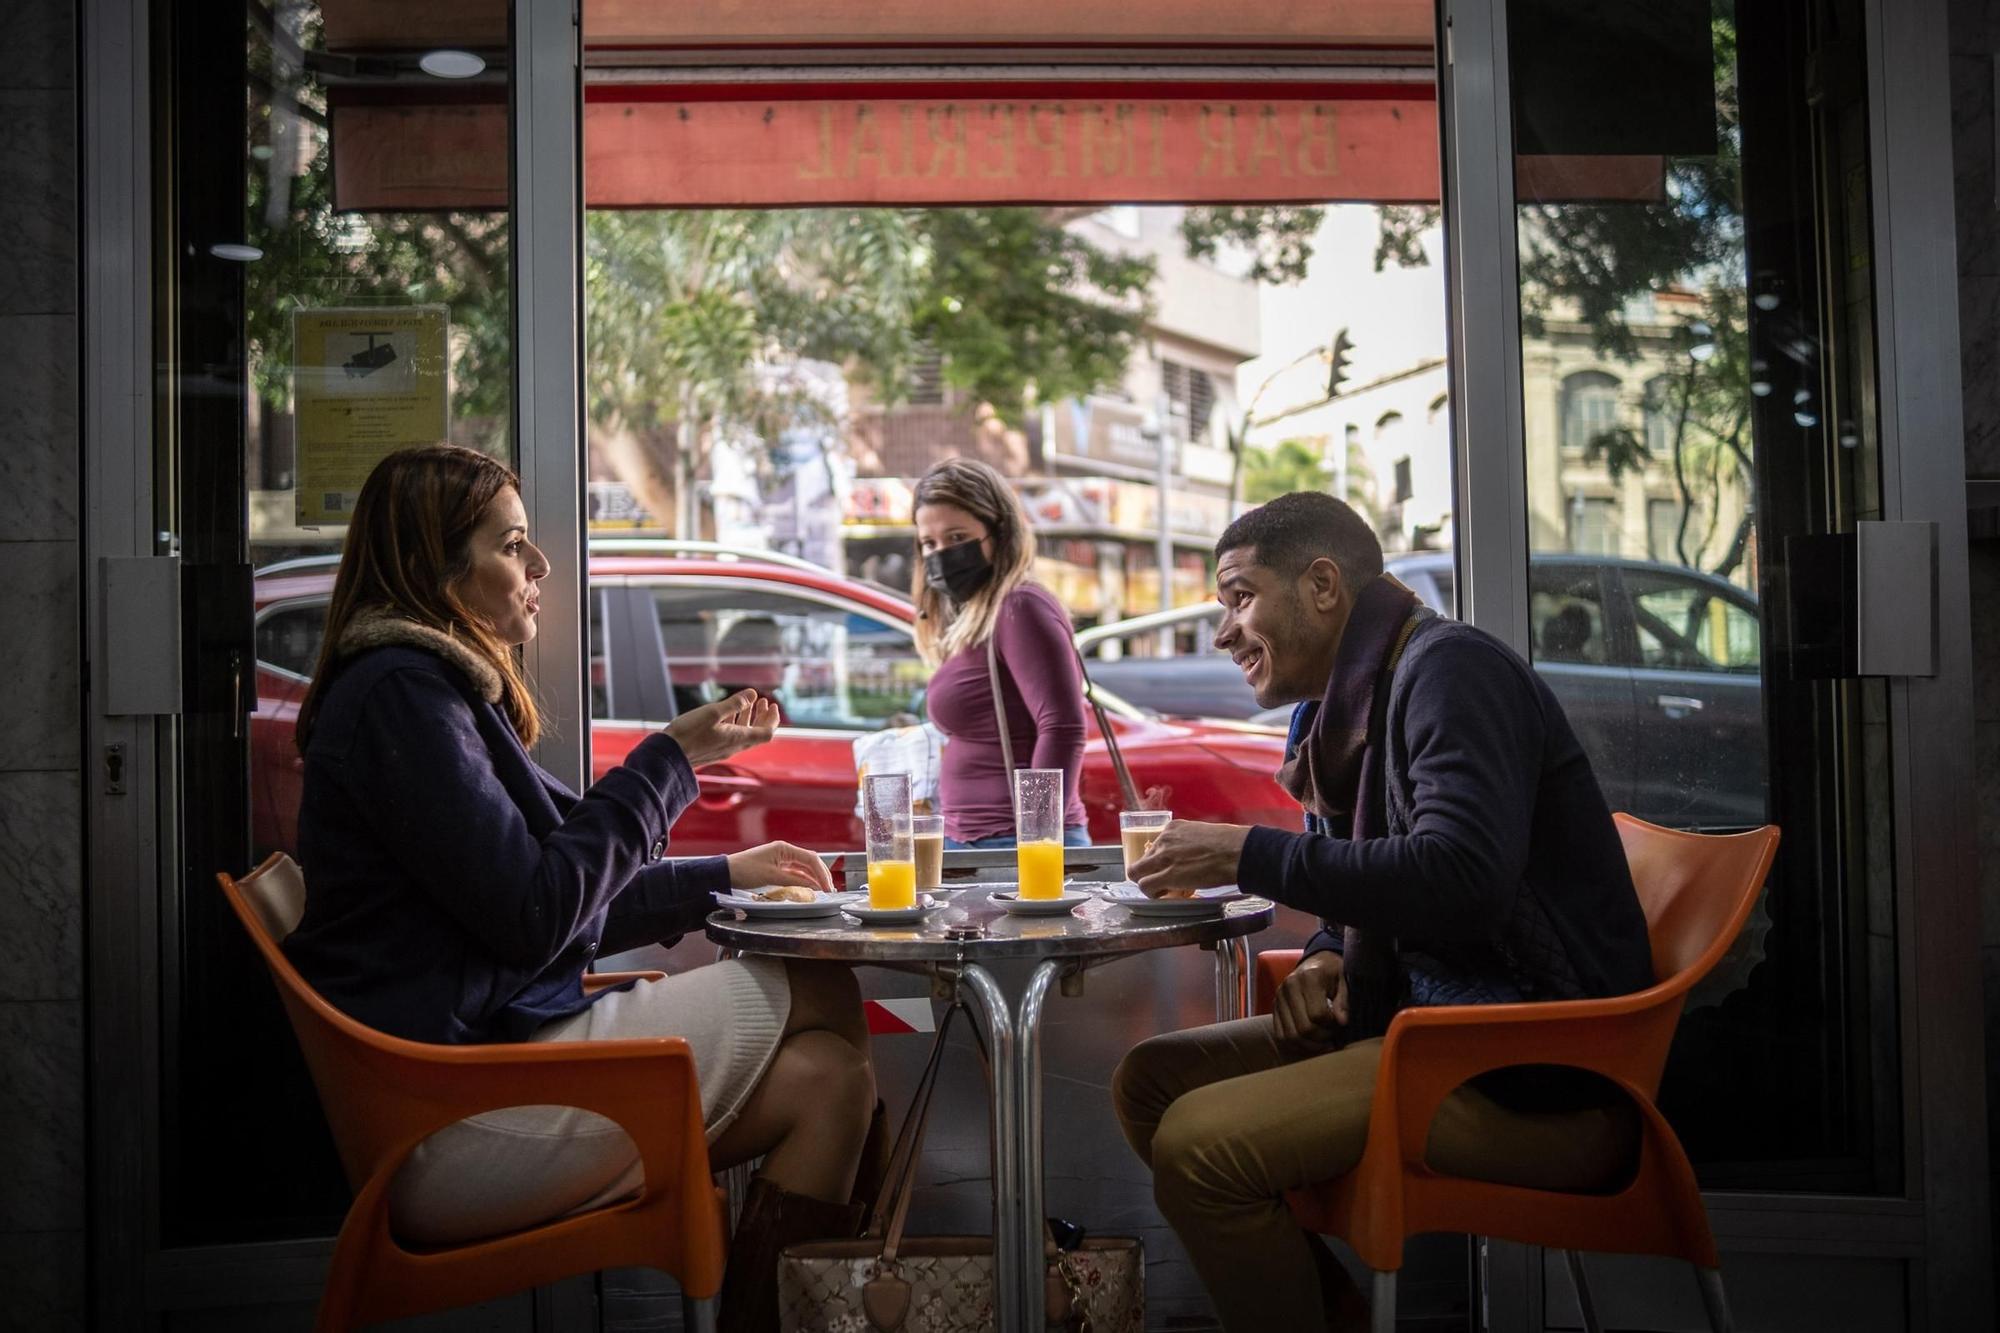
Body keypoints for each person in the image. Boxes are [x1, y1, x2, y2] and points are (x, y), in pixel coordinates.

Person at [285, 445, 877, 1333]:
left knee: (830, 1080)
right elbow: (538, 913)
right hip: (451, 1120)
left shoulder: (432, 692)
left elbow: (559, 891)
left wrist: (722, 873)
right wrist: (669, 760)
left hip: (488, 1062)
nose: (540, 565)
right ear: (433, 569)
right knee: (821, 983)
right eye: (511, 543)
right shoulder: (401, 697)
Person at [1114, 492, 1654, 1332]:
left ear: (1323, 584)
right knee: (1150, 1083)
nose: (1223, 633)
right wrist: (1329, 952)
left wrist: (1243, 852)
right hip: (1427, 1027)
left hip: (1535, 1068)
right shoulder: (1341, 714)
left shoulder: (1451, 670)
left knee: (1200, 1148)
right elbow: (1377, 881)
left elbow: (1464, 875)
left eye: (1240, 597)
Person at [911, 457, 1089, 847]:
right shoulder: (976, 619)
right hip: (974, 839)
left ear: (1000, 533)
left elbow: (1063, 728)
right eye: (929, 543)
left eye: (957, 538)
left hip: (1014, 843)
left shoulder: (1020, 606)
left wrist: (1038, 837)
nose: (941, 555)